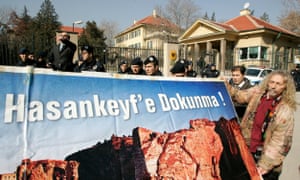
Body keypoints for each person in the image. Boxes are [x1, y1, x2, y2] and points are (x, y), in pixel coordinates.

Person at [225, 70, 297, 180]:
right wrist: (225, 85)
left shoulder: (285, 110)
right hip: (248, 151)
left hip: (266, 160)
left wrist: (265, 165)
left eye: (278, 84)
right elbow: (240, 95)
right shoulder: (258, 93)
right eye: (271, 82)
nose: (273, 86)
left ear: (285, 87)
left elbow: (280, 142)